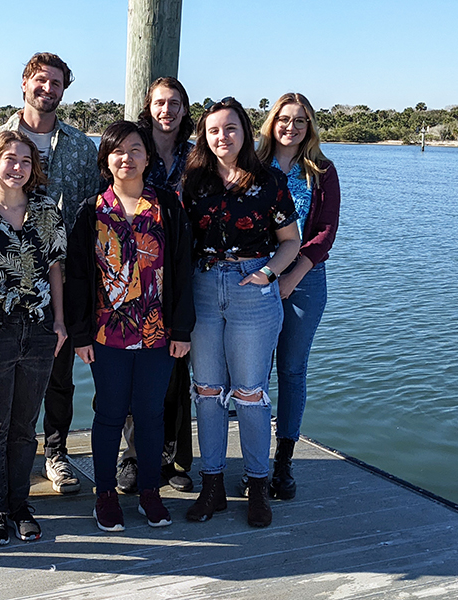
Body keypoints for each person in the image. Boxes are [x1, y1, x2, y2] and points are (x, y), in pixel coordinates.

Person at [65, 121, 195, 532]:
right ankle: (105, 495)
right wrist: (81, 334)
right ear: (106, 159)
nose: (127, 157)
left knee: (151, 414)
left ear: (147, 157)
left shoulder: (168, 207)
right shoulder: (91, 211)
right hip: (108, 334)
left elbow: (181, 269)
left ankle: (150, 493)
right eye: (118, 151)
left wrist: (181, 329)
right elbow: (79, 278)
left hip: (158, 333)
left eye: (136, 149)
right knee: (108, 413)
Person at [0, 52, 100, 495]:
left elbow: (91, 212)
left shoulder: (80, 146)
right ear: (24, 83)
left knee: (59, 369)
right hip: (2, 284)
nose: (47, 89)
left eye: (56, 83)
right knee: (2, 373)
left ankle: (56, 453)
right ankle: (5, 454)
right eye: (41, 80)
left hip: (64, 278)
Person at [182, 97, 300, 528]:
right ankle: (211, 484)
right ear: (204, 136)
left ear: (245, 133)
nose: (222, 137)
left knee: (250, 393)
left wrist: (268, 274)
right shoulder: (192, 181)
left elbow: (291, 241)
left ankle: (257, 485)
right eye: (214, 130)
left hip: (252, 287)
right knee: (208, 392)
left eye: (230, 129)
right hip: (203, 287)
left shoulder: (268, 180)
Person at [0, 130, 68, 545]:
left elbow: (57, 268)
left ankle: (20, 504)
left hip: (40, 328)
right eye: (9, 159)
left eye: (25, 161)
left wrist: (61, 321)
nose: (17, 168)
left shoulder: (47, 210)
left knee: (25, 426)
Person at [255, 92, 340, 500]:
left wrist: (292, 276)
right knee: (251, 372)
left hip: (305, 280)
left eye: (300, 121)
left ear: (310, 127)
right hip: (255, 276)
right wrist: (268, 275)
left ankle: (283, 463)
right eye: (284, 119)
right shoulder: (252, 166)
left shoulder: (321, 170)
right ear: (272, 123)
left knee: (290, 369)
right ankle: (252, 461)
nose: (291, 127)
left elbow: (323, 232)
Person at [116, 76, 196, 494]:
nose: (167, 110)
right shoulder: (134, 147)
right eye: (160, 103)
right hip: (137, 274)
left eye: (175, 103)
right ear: (150, 107)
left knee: (177, 366)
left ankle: (177, 456)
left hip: (184, 267)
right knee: (136, 370)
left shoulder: (197, 154)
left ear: (185, 108)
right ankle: (133, 455)